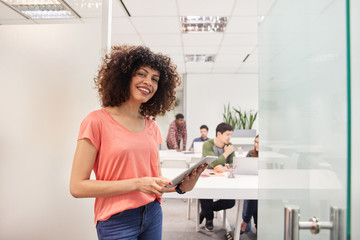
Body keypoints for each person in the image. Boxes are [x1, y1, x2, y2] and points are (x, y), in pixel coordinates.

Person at [69, 45, 207, 240]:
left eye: (155, 79)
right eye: (141, 74)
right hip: (116, 220)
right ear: (124, 76)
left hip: (152, 213)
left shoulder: (152, 127)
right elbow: (77, 187)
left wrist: (181, 187)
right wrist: (137, 184)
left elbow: (154, 182)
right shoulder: (96, 121)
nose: (148, 82)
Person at [199, 123, 236, 233]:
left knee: (231, 202)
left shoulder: (229, 145)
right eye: (227, 134)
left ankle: (205, 211)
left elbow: (232, 164)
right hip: (206, 178)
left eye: (230, 135)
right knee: (205, 194)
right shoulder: (207, 144)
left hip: (223, 178)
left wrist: (225, 168)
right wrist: (226, 153)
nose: (229, 137)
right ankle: (209, 218)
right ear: (219, 134)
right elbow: (213, 163)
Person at [240, 135, 259, 235]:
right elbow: (244, 168)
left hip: (262, 185)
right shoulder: (251, 153)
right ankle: (249, 223)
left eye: (259, 142)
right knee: (253, 196)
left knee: (254, 197)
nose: (257, 145)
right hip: (251, 182)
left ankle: (245, 222)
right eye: (255, 142)